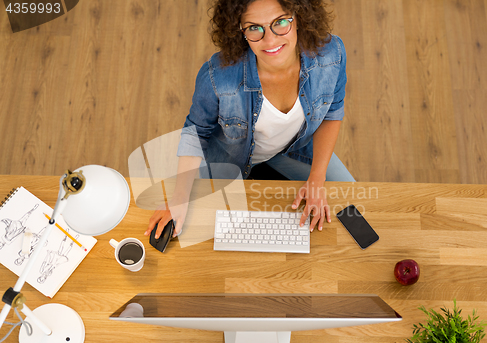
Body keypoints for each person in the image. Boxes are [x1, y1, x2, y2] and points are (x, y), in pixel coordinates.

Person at [145, 0, 355, 241]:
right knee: (206, 234)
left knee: (351, 194)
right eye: (254, 28)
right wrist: (179, 198)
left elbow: (332, 112)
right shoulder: (218, 76)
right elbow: (196, 133)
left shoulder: (331, 55)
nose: (270, 40)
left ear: (299, 17)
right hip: (229, 160)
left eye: (281, 22)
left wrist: (317, 178)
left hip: (295, 148)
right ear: (239, 31)